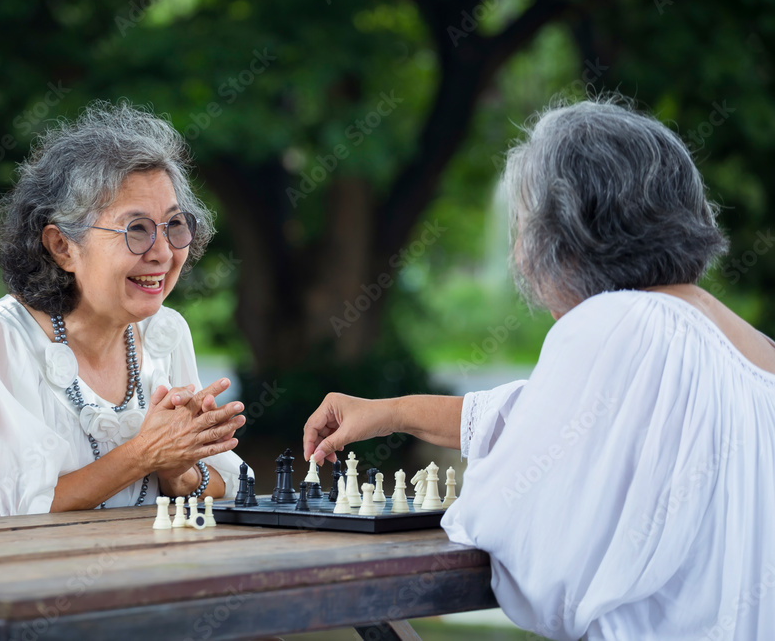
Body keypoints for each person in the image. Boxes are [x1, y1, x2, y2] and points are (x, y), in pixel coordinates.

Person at [302, 98, 775, 640]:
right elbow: (541, 416)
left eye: (525, 222)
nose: (520, 252)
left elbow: (532, 552)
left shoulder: (620, 323)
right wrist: (394, 413)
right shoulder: (750, 345)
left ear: (568, 229)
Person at [0, 101, 249, 523]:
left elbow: (226, 486)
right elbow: (2, 515)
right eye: (136, 229)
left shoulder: (166, 332)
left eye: (174, 225)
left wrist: (178, 471)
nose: (162, 252)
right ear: (62, 246)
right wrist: (145, 453)